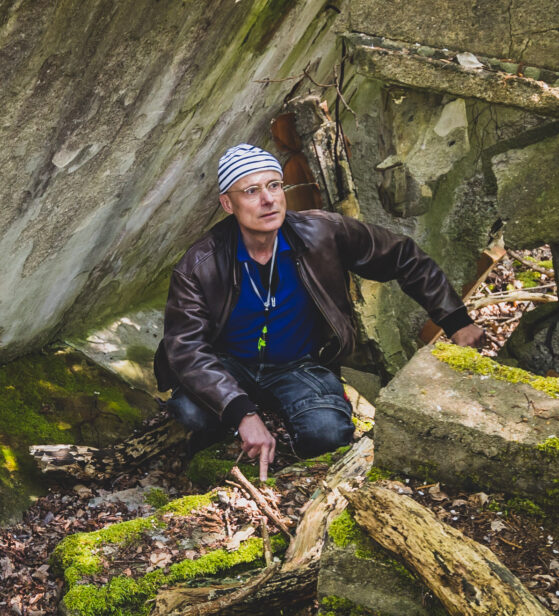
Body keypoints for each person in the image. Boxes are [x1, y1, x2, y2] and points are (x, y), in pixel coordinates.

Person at [155, 143, 485, 479]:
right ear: (228, 204)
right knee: (190, 412)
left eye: (274, 185)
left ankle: (290, 446)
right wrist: (242, 413)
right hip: (229, 364)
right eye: (251, 191)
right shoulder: (201, 263)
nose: (268, 199)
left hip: (299, 364)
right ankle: (218, 445)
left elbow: (403, 257)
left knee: (328, 433)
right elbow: (187, 346)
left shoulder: (323, 232)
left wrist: (456, 321)